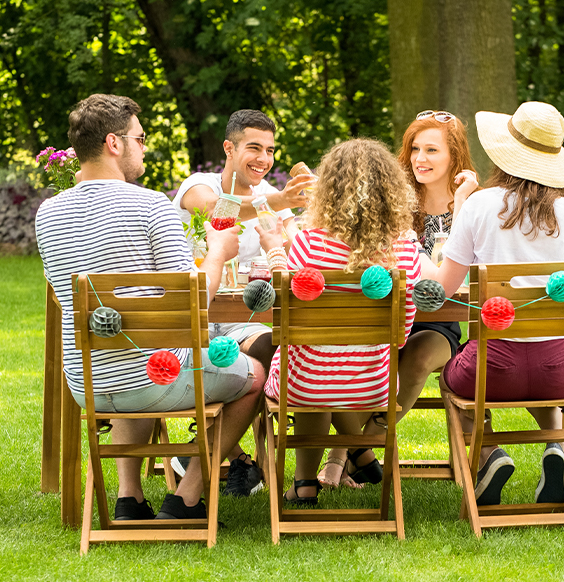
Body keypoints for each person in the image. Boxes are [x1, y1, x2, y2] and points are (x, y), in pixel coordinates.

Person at [35, 94, 266, 520]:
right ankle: (188, 497)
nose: (145, 147)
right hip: (158, 377)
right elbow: (193, 301)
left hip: (87, 384)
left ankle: (129, 499)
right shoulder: (151, 205)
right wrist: (217, 252)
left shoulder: (48, 213)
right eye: (140, 139)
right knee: (254, 375)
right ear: (114, 143)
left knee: (132, 354)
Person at [431, 101, 564, 506]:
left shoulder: (481, 206)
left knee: (450, 375)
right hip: (563, 372)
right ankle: (555, 449)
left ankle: (489, 455)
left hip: (493, 371)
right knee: (542, 370)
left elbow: (446, 287)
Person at [316, 110, 479, 489]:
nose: (420, 158)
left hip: (437, 320)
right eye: (415, 149)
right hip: (382, 317)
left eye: (432, 150)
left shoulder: (473, 203)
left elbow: (460, 275)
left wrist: (464, 204)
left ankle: (358, 448)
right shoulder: (395, 199)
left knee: (420, 357)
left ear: (454, 156)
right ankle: (353, 458)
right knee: (360, 359)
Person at [256, 138, 422, 505]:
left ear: (328, 189)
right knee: (332, 366)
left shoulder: (309, 244)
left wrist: (273, 248)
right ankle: (359, 453)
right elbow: (403, 331)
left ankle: (305, 483)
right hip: (373, 385)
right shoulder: (406, 248)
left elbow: (280, 313)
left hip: (302, 385)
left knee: (315, 365)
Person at [169, 109, 312, 495]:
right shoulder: (199, 184)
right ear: (229, 148)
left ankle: (208, 451)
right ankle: (235, 458)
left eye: (269, 150)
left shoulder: (271, 197)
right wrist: (278, 201)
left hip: (245, 319)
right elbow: (216, 212)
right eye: (254, 148)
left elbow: (298, 250)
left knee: (271, 347)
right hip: (195, 317)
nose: (263, 159)